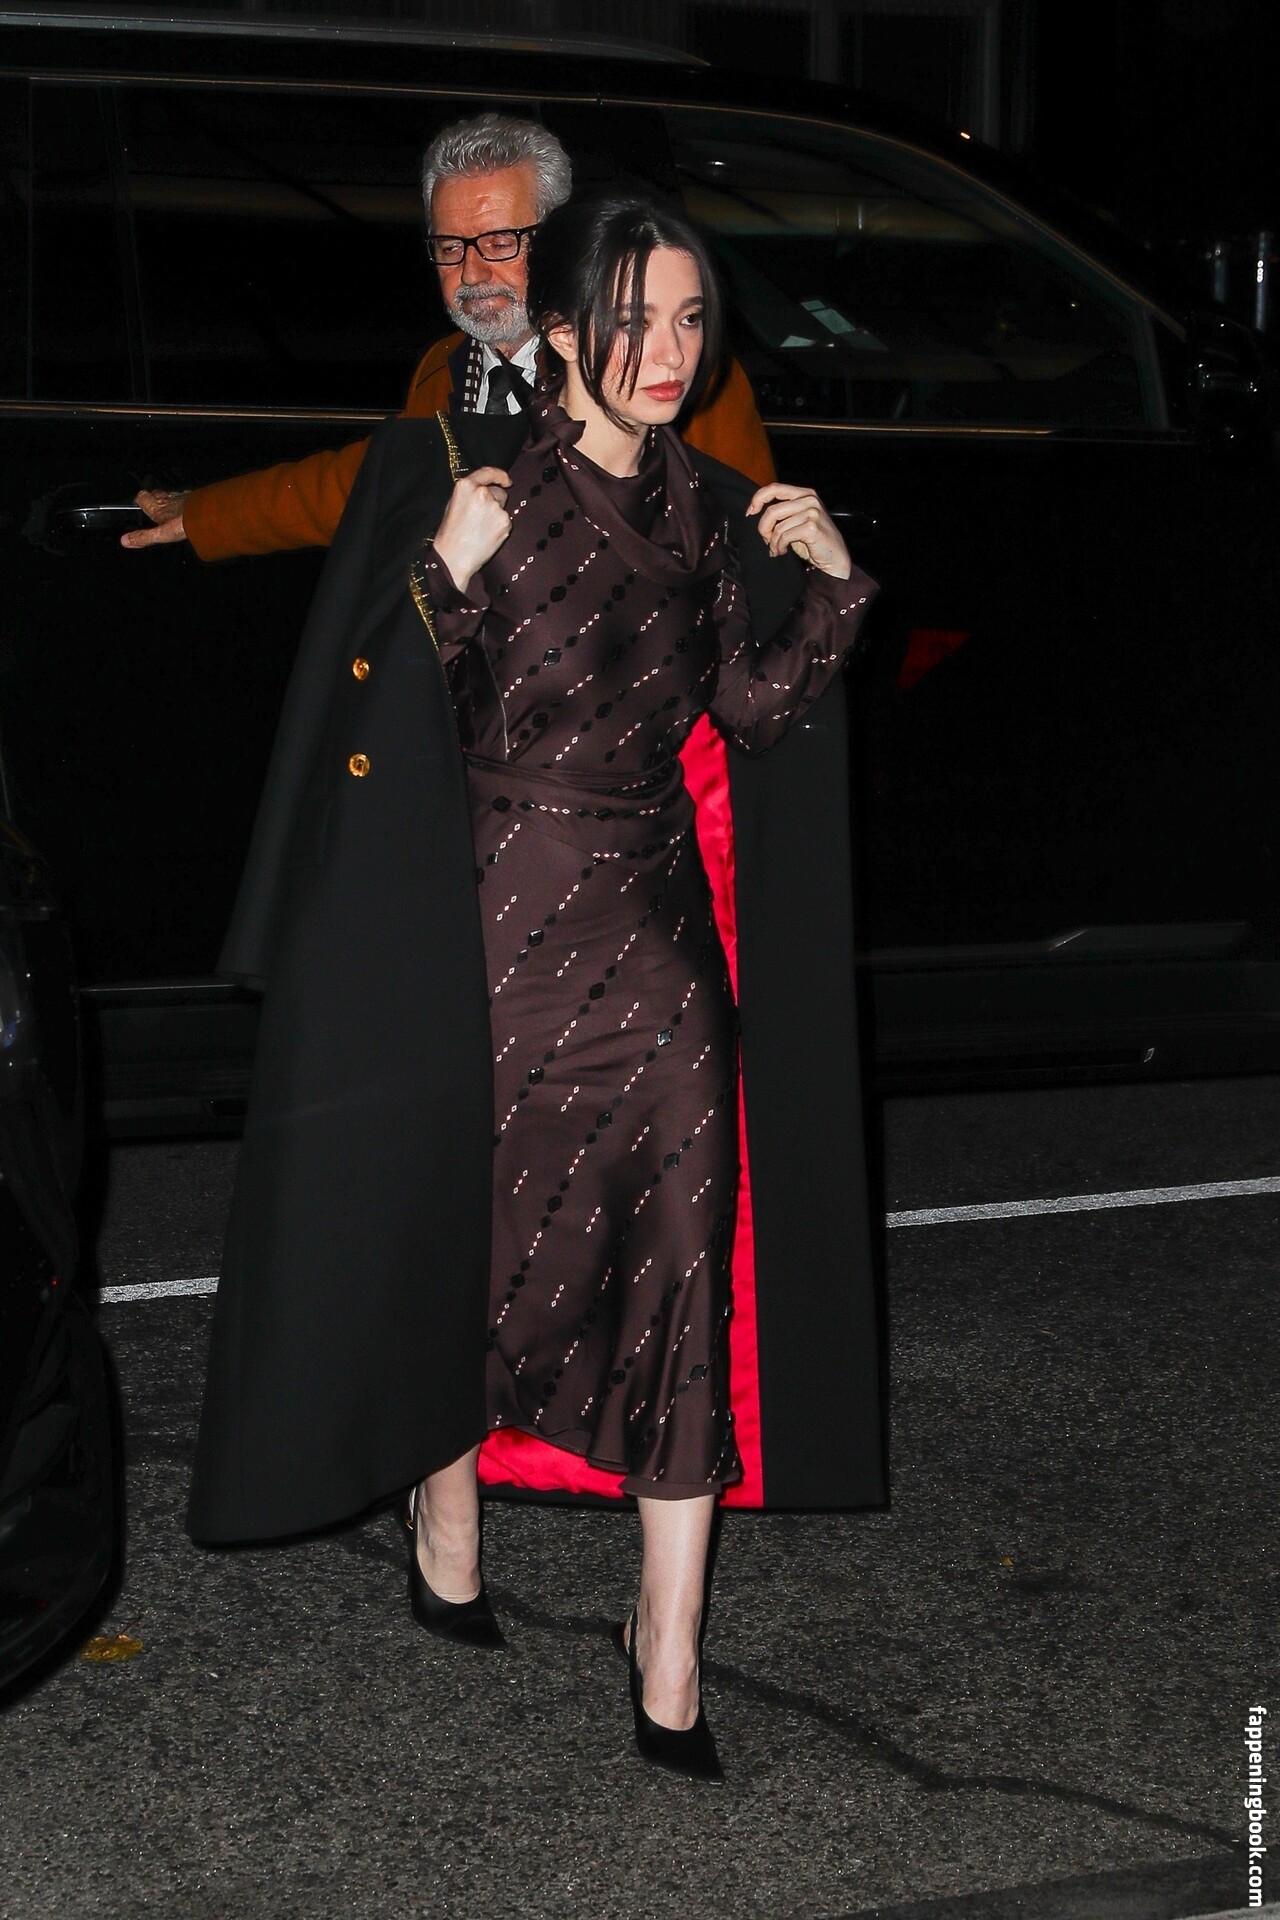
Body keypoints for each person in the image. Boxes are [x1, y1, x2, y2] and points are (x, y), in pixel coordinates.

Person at [187, 187, 880, 1784]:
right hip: (488, 939)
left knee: (683, 1275)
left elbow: (749, 712)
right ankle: (446, 1518)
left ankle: (669, 1647)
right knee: (467, 1249)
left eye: (692, 321)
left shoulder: (708, 508)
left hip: (655, 951)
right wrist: (434, 577)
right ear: (562, 331)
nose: (669, 352)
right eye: (634, 320)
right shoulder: (484, 494)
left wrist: (837, 587)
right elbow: (375, 728)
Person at [120, 112, 774, 561]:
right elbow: (369, 484)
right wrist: (209, 515)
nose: (472, 273)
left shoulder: (669, 373)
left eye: (500, 241)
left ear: (562, 242)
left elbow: (746, 558)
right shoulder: (447, 367)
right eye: (449, 246)